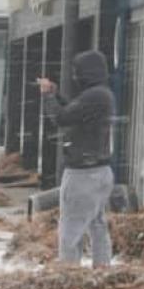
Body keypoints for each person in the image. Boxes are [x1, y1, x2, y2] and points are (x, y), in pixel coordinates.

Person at [38, 49, 116, 268]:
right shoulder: (103, 94)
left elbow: (62, 118)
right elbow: (75, 112)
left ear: (87, 72)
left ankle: (68, 272)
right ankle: (103, 269)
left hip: (83, 173)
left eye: (77, 71)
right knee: (97, 224)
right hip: (100, 171)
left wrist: (47, 96)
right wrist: (57, 95)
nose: (75, 76)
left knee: (70, 228)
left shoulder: (93, 96)